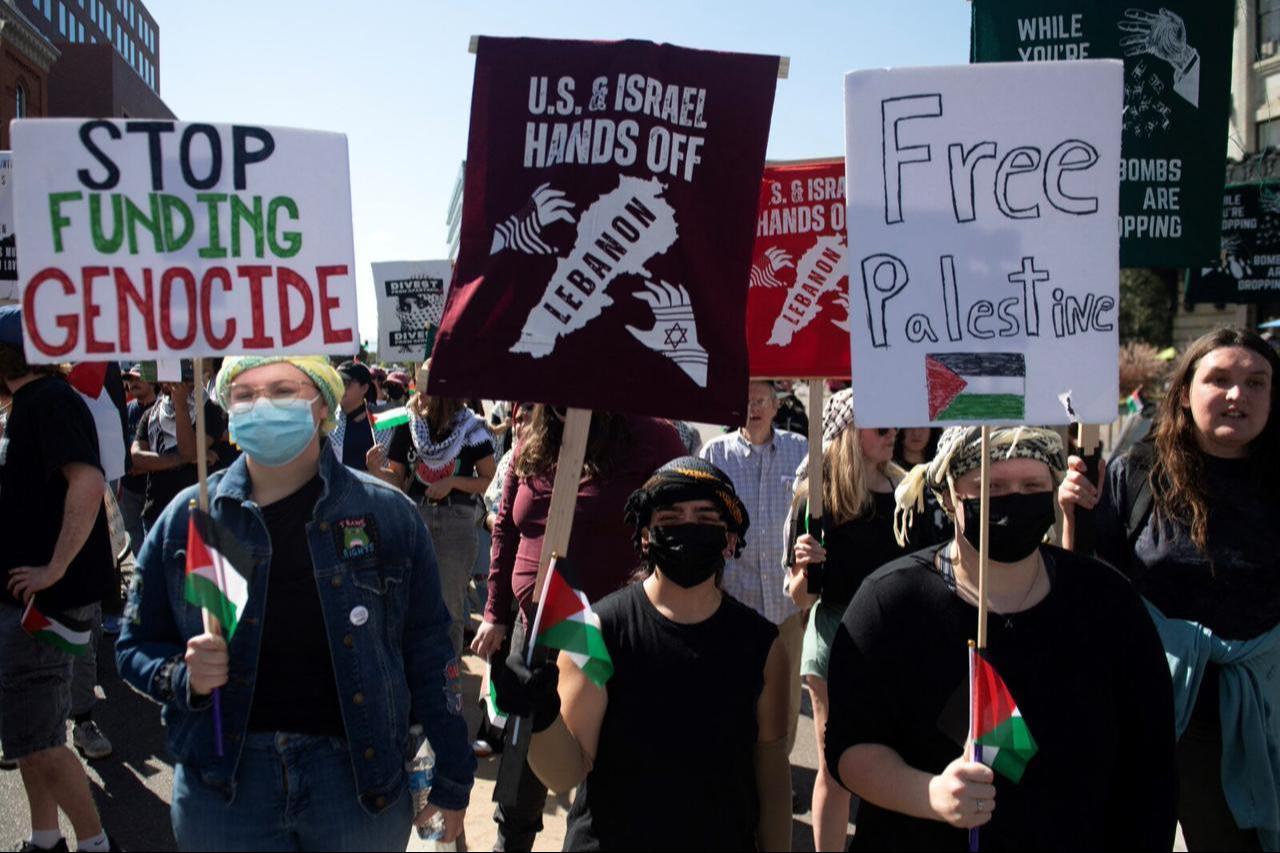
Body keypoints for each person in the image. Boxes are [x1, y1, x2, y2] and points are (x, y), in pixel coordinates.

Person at [115, 355, 475, 851]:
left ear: (322, 405)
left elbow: (430, 652)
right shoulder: (195, 518)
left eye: (283, 390)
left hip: (355, 785)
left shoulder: (389, 517)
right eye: (245, 395)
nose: (262, 405)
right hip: (226, 788)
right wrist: (182, 676)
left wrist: (453, 775)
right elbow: (134, 644)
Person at [825, 425, 1177, 850]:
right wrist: (931, 794)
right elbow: (850, 747)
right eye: (990, 486)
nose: (1013, 499)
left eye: (1031, 486)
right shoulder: (889, 603)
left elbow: (1151, 759)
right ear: (950, 494)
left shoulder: (1108, 602)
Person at [494, 457, 792, 851]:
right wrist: (541, 715)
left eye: (705, 517)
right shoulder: (597, 632)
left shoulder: (763, 647)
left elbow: (772, 781)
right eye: (671, 517)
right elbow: (564, 773)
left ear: (730, 539)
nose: (688, 527)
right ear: (646, 536)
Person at [1059, 327, 1280, 851]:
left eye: (1256, 382)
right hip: (1156, 707)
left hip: (1265, 712)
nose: (1238, 394)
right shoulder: (1137, 473)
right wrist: (1072, 516)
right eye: (1219, 379)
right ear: (1184, 393)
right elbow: (1090, 585)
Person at [472, 406, 685, 851]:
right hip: (534, 634)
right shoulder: (533, 439)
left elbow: (678, 527)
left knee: (601, 780)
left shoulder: (653, 439)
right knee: (519, 781)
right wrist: (495, 612)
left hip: (605, 643)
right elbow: (506, 529)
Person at [0, 305, 120, 852]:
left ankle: (94, 844)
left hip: (46, 603)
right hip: (32, 600)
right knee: (30, 738)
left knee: (45, 743)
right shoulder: (33, 403)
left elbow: (88, 482)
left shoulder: (48, 400)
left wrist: (54, 568)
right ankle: (45, 839)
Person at [784, 389, 914, 851]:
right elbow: (800, 598)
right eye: (881, 425)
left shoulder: (908, 495)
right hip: (835, 638)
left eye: (894, 423)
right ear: (848, 432)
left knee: (892, 763)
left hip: (895, 643)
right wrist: (805, 568)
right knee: (835, 768)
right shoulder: (817, 500)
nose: (893, 432)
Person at [699, 380, 809, 758]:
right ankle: (738, 768)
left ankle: (778, 768)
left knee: (786, 698)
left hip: (786, 602)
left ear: (776, 407)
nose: (754, 408)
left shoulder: (800, 450)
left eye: (761, 400)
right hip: (735, 599)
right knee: (734, 692)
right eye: (746, 401)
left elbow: (816, 514)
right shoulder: (716, 453)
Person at [366, 367, 496, 656]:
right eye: (418, 389)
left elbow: (489, 478)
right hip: (416, 519)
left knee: (449, 606)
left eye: (427, 391)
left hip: (456, 523)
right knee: (412, 603)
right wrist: (377, 470)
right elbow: (397, 479)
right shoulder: (409, 424)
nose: (420, 397)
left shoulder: (472, 428)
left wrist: (453, 482)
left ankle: (447, 675)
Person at [130, 364, 226, 535]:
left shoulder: (211, 409)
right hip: (156, 514)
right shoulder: (152, 414)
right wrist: (181, 459)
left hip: (197, 514)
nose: (164, 382)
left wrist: (181, 404)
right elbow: (136, 459)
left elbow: (188, 450)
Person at [119, 366, 158, 557]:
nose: (133, 383)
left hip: (155, 487)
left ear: (152, 381)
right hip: (129, 488)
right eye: (130, 379)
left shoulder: (163, 408)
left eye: (138, 379)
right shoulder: (126, 410)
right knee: (135, 536)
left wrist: (144, 466)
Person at [331, 361, 392, 473]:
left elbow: (393, 470)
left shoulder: (383, 422)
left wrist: (375, 471)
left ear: (364, 388)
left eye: (346, 382)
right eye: (336, 382)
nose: (339, 387)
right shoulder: (327, 420)